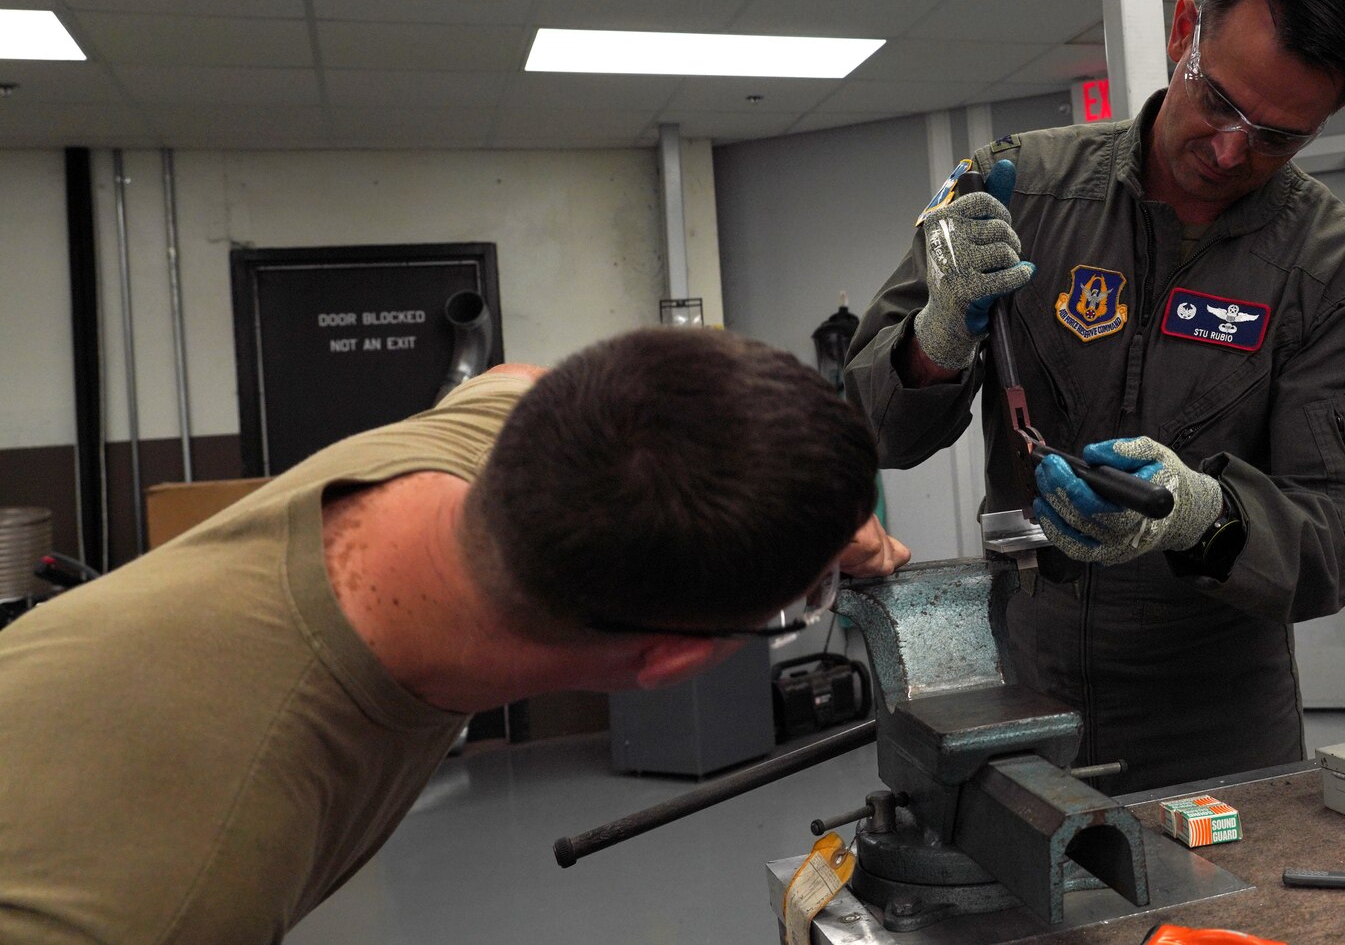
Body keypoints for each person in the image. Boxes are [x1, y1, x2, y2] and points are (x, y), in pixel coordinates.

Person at [0, 326, 906, 943]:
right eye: (808, 600)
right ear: (665, 662)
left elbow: (528, 383)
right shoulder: (191, 882)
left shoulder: (500, 429)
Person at [846, 0, 1345, 794]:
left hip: (1215, 720)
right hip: (1017, 683)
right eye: (1219, 100)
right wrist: (936, 341)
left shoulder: (1336, 272)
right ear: (1184, 32)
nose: (1230, 150)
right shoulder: (1013, 189)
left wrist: (1203, 518)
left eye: (1277, 136)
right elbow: (864, 427)